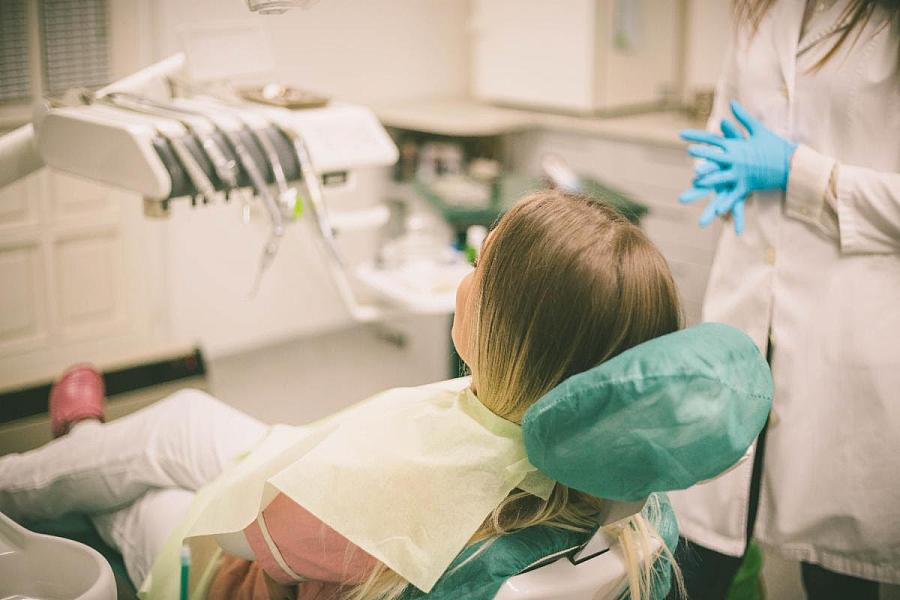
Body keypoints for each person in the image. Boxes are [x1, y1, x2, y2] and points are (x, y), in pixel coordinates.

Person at [0, 191, 684, 600]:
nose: (465, 276)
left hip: (251, 564)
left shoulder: (429, 504)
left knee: (147, 500)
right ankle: (83, 446)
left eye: (479, 264)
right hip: (310, 493)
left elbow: (255, 533)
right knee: (180, 424)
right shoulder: (632, 496)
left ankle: (45, 466)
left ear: (512, 340)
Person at [671, 0, 900, 598]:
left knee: (836, 577)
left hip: (846, 333)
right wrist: (722, 167)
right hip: (744, 309)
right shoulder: (759, 9)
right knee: (695, 545)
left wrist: (801, 172)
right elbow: (730, 119)